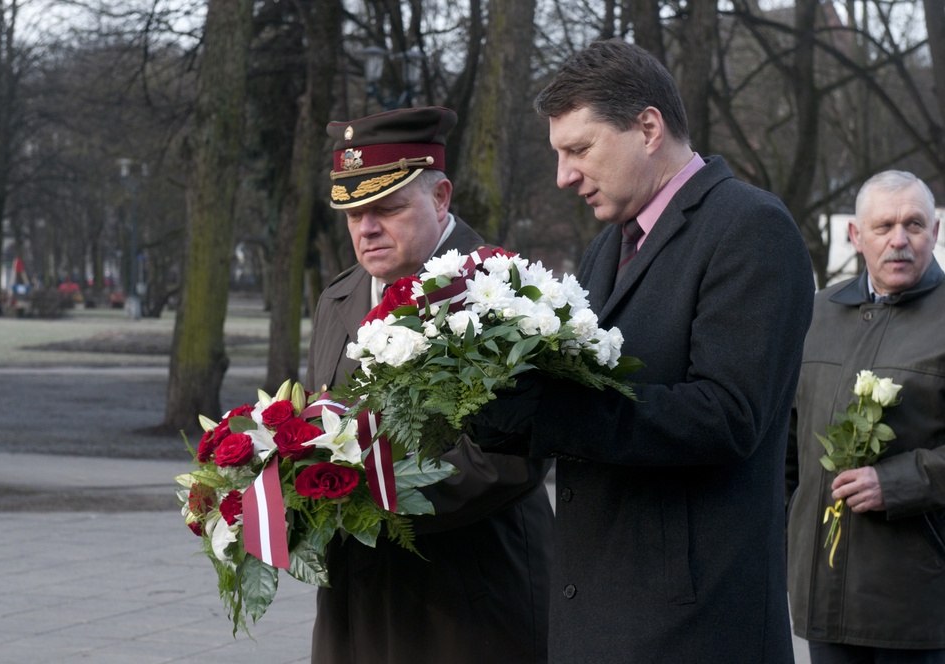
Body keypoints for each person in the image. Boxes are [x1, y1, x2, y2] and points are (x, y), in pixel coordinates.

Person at [473, 39, 816, 662]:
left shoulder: (749, 227)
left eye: (579, 149)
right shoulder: (608, 247)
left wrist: (552, 411)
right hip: (596, 616)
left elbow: (728, 415)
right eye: (558, 154)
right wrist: (497, 406)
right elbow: (587, 397)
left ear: (648, 127)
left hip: (694, 630)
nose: (563, 175)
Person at [305, 106, 554, 664]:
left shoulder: (500, 291)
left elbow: (508, 458)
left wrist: (361, 494)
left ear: (440, 197)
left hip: (468, 599)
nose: (366, 228)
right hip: (358, 599)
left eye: (386, 208)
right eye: (351, 213)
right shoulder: (339, 298)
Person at [786, 170, 945, 664]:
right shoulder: (815, 315)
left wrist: (896, 482)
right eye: (883, 227)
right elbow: (785, 444)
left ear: (935, 231)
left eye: (914, 225)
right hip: (823, 597)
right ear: (856, 236)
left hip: (917, 599)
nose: (899, 240)